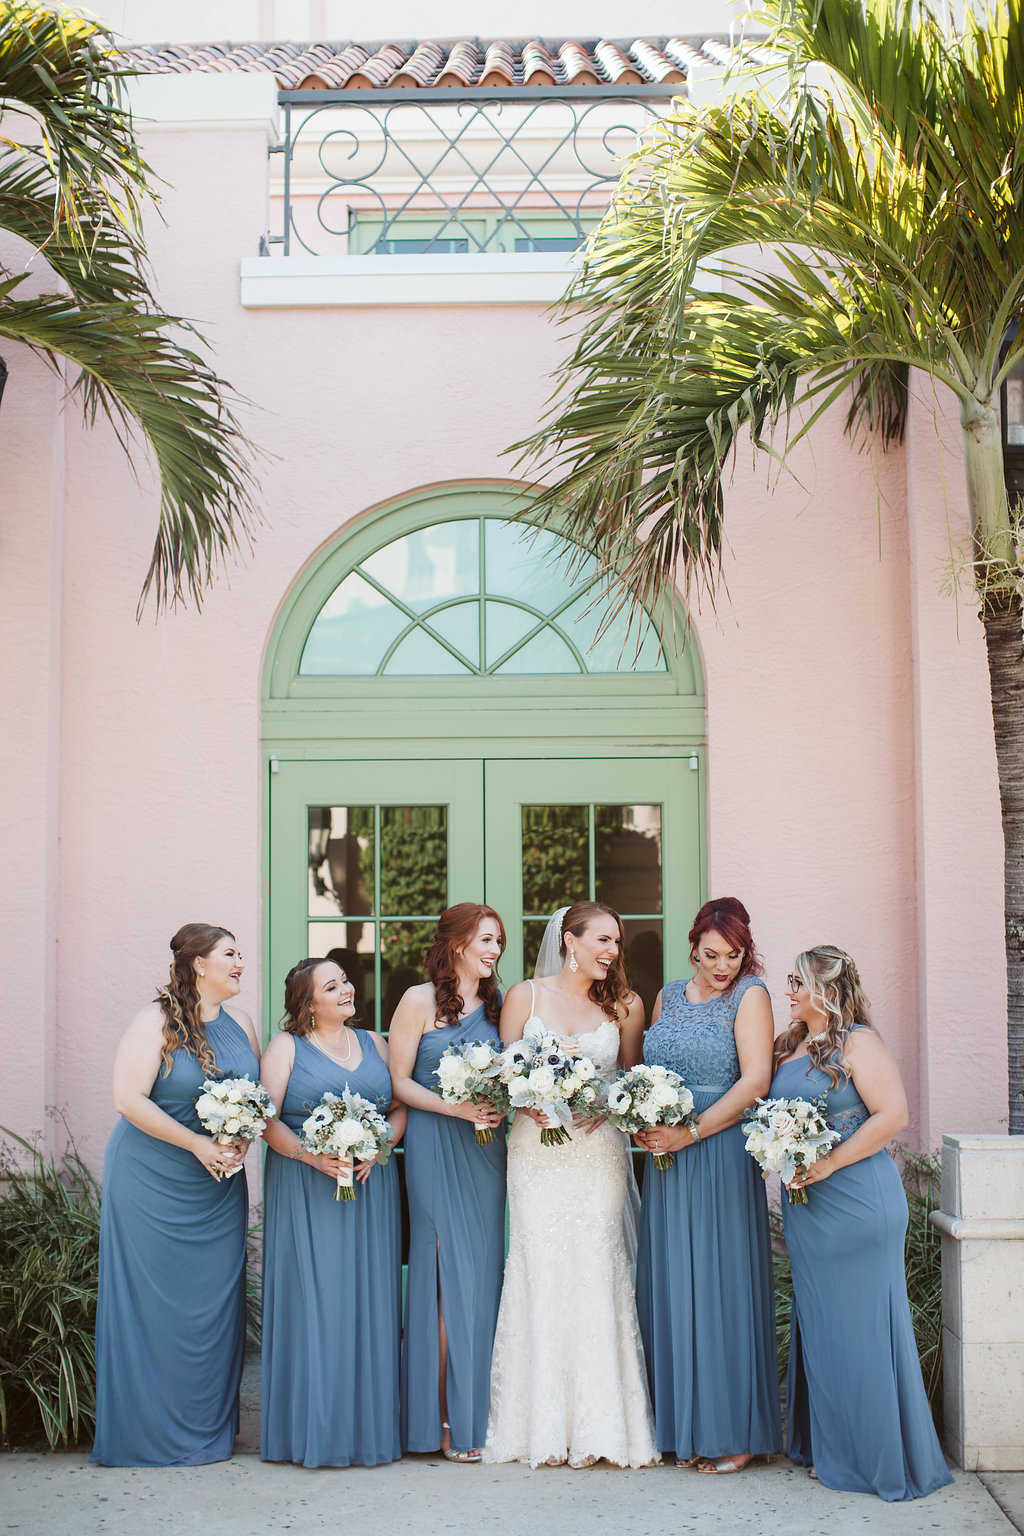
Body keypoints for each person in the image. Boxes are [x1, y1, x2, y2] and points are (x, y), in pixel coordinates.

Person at [483, 900, 659, 1469]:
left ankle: (602, 1427)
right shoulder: (525, 997)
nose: (612, 951)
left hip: (596, 1152)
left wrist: (605, 1102)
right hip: (536, 1152)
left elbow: (631, 1081)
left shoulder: (626, 1005)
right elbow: (501, 1073)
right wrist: (525, 1099)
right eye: (602, 940)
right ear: (570, 940)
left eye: (617, 942)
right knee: (541, 1264)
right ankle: (540, 1425)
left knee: (596, 1265)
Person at [772, 946, 952, 1500]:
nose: (790, 991)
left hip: (857, 1206)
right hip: (810, 1213)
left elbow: (892, 1115)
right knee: (825, 1331)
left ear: (824, 988)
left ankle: (875, 1459)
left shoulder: (860, 1043)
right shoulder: (792, 1046)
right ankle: (835, 1448)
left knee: (863, 1331)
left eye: (797, 982)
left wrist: (824, 1162)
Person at [92, 924, 260, 1467]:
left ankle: (206, 1430)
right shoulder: (154, 1020)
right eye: (230, 955)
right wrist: (196, 1143)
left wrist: (239, 1138)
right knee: (153, 1307)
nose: (241, 963)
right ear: (198, 965)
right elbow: (127, 1098)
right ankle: (146, 1435)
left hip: (217, 1187)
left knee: (212, 1308)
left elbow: (254, 1101)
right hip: (152, 1180)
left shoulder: (243, 1026)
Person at [634, 896, 781, 1473]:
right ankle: (681, 1427)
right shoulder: (667, 996)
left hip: (716, 1153)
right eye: (713, 954)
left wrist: (689, 1133)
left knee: (720, 1285)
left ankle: (731, 1433)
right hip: (666, 1162)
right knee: (672, 1283)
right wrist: (641, 1115)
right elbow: (645, 1072)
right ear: (693, 947)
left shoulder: (751, 996)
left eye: (734, 955)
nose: (723, 966)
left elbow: (756, 1080)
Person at [259, 956, 404, 1467]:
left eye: (344, 981)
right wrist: (311, 1155)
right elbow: (265, 1120)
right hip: (306, 1187)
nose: (345, 989)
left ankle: (367, 1431)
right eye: (331, 985)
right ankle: (312, 1429)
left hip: (370, 1185)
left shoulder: (374, 1043)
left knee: (368, 1298)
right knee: (317, 1300)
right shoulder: (286, 1048)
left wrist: (380, 1143)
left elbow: (397, 1107)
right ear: (307, 1003)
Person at [390, 904, 508, 1462]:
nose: (494, 951)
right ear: (457, 943)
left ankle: (474, 1416)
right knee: (440, 1278)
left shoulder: (499, 1006)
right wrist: (455, 1108)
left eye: (500, 942)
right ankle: (436, 1418)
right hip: (436, 1146)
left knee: (479, 1278)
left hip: (486, 1152)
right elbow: (399, 1084)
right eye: (486, 939)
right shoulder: (418, 1000)